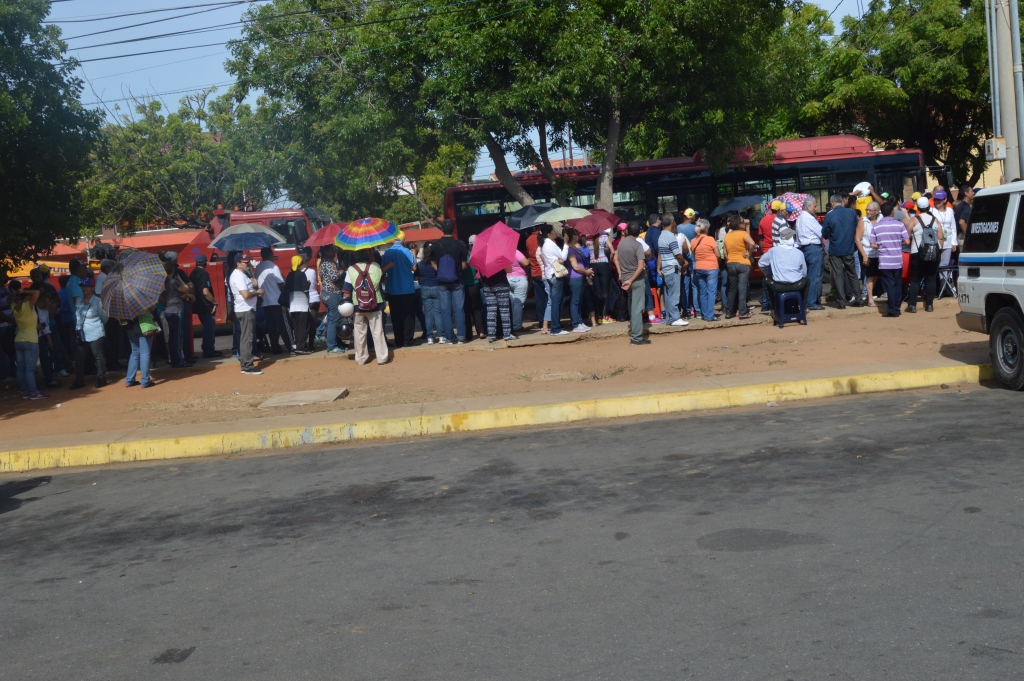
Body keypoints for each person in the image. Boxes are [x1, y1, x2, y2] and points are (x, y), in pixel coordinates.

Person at [343, 248, 390, 365]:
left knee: (359, 332)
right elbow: (381, 280)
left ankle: (361, 358)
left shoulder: (351, 269)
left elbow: (346, 291)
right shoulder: (376, 266)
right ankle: (382, 357)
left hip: (357, 305)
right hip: (375, 303)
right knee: (377, 331)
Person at [822, 193, 863, 308]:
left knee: (838, 275)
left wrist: (831, 233)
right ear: (842, 201)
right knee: (852, 274)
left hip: (835, 249)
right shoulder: (851, 212)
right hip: (849, 248)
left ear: (832, 203)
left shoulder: (830, 215)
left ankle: (841, 301)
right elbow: (855, 227)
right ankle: (858, 299)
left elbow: (824, 233)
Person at [431, 219, 469, 343]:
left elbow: (432, 262)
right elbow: (464, 265)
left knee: (445, 310)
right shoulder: (460, 245)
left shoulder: (435, 245)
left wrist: (441, 270)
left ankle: (449, 337)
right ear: (453, 229)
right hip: (458, 280)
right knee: (459, 309)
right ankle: (461, 337)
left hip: (442, 282)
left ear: (442, 229)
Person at [870, 201, 910, 317]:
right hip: (897, 259)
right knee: (897, 284)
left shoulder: (876, 226)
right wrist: (897, 243)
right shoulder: (899, 225)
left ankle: (893, 309)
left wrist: (882, 245)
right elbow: (907, 241)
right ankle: (896, 306)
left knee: (890, 285)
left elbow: (872, 244)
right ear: (892, 212)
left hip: (885, 261)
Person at [613, 221, 649, 345]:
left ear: (627, 231)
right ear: (639, 232)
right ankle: (636, 337)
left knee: (631, 304)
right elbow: (640, 267)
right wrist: (631, 280)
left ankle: (635, 332)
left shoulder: (621, 243)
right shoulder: (637, 245)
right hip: (636, 280)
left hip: (625, 279)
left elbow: (615, 258)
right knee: (637, 308)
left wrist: (621, 274)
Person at [758, 226, 809, 315]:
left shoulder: (773, 251)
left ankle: (773, 309)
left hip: (778, 286)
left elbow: (761, 263)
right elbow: (804, 272)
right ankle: (803, 306)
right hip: (796, 285)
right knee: (807, 280)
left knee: (765, 281)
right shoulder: (799, 252)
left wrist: (767, 274)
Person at [906, 196, 944, 313]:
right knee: (931, 278)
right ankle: (929, 305)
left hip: (917, 252)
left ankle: (912, 305)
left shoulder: (914, 220)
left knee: (915, 279)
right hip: (933, 253)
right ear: (928, 207)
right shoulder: (935, 220)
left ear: (917, 207)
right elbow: (941, 238)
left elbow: (907, 236)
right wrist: (940, 252)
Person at [70, 277, 108, 389]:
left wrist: (98, 325)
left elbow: (105, 317)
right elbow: (77, 316)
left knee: (98, 356)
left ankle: (102, 378)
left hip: (96, 331)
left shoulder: (97, 301)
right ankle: (79, 380)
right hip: (82, 332)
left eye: (87, 286)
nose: (84, 288)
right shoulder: (79, 300)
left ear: (92, 288)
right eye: (83, 286)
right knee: (79, 358)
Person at [11, 281, 47, 399]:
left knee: (20, 368)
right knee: (30, 369)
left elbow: (8, 300)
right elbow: (36, 292)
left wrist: (15, 294)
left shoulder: (15, 308)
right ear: (26, 297)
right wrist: (24, 291)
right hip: (30, 340)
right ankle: (33, 392)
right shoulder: (28, 306)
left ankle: (25, 392)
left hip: (19, 340)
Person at [381, 233, 417, 348]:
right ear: (404, 240)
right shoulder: (406, 251)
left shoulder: (387, 252)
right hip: (407, 289)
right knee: (408, 316)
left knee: (396, 317)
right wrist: (414, 254)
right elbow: (414, 267)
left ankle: (399, 341)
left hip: (392, 289)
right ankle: (408, 340)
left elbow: (382, 268)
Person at [229, 254, 263, 374]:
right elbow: (246, 295)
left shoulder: (243, 275)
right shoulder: (238, 276)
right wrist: (258, 292)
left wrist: (252, 271)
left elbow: (254, 283)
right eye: (244, 262)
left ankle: (245, 364)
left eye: (247, 262)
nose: (247, 264)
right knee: (247, 338)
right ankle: (248, 365)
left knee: (245, 338)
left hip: (245, 309)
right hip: (245, 309)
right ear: (238, 264)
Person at [256, 246, 292, 355]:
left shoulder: (258, 268)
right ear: (270, 255)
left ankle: (275, 347)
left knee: (271, 325)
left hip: (265, 301)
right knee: (284, 325)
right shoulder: (273, 267)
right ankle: (290, 346)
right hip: (276, 300)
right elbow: (280, 282)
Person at [657, 214, 688, 326]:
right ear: (672, 222)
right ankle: (675, 317)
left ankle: (670, 318)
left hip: (666, 268)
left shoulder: (661, 236)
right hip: (673, 268)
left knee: (669, 294)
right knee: (674, 295)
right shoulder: (670, 236)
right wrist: (684, 264)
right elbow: (678, 255)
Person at [189, 254, 222, 358]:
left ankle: (208, 349)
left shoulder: (193, 273)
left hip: (197, 305)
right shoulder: (204, 274)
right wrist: (214, 302)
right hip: (206, 306)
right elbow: (205, 292)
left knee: (206, 328)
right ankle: (208, 351)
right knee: (209, 329)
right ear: (206, 263)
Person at [723, 214, 756, 319]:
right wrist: (749, 254)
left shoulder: (727, 235)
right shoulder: (743, 234)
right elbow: (752, 243)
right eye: (742, 221)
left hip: (731, 263)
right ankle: (742, 312)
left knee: (732, 289)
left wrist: (729, 260)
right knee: (742, 288)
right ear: (739, 224)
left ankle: (729, 312)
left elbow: (725, 252)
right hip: (743, 263)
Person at [795, 197, 824, 310]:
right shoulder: (809, 218)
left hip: (804, 249)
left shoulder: (799, 218)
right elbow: (821, 232)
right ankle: (811, 302)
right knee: (814, 276)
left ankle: (809, 300)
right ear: (808, 207)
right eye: (815, 206)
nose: (816, 209)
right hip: (813, 248)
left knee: (808, 276)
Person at [538, 227, 569, 335]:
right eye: (554, 231)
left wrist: (559, 260)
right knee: (556, 302)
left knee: (555, 301)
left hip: (549, 274)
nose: (556, 232)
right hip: (555, 275)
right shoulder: (549, 244)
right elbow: (563, 257)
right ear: (549, 234)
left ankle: (555, 326)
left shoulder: (544, 244)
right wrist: (565, 243)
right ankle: (555, 328)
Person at [479, 254, 516, 342]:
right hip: (501, 284)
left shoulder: (482, 257)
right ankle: (507, 334)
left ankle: (491, 335)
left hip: (487, 285)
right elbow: (509, 270)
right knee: (504, 311)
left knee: (491, 311)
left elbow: (482, 273)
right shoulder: (501, 256)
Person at [691, 219, 722, 322]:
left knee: (702, 292)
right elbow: (718, 254)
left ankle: (704, 314)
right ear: (706, 229)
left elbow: (694, 255)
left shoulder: (693, 241)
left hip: (699, 267)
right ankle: (710, 315)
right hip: (711, 267)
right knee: (711, 292)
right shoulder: (710, 239)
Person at [565, 227, 595, 333]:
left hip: (579, 276)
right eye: (577, 235)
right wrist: (586, 272)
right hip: (575, 277)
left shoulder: (573, 248)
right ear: (573, 236)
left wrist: (586, 271)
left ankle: (579, 322)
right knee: (575, 301)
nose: (579, 236)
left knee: (578, 301)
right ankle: (576, 324)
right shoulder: (569, 249)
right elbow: (575, 266)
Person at [162, 259, 191, 368]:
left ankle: (174, 360)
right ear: (173, 269)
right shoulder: (173, 281)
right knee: (178, 337)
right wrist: (181, 280)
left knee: (172, 337)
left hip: (168, 309)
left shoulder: (163, 282)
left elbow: (161, 297)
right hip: (177, 310)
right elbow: (187, 289)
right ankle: (179, 361)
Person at [318, 245, 346, 353]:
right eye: (331, 250)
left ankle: (336, 343)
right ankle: (332, 346)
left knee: (332, 319)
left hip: (328, 293)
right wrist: (342, 270)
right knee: (334, 320)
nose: (334, 251)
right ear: (325, 251)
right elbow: (334, 276)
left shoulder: (325, 262)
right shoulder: (328, 263)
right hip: (332, 293)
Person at [416, 243, 445, 344]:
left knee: (428, 314)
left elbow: (416, 277)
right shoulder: (436, 263)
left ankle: (430, 337)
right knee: (438, 313)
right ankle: (441, 336)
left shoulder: (420, 265)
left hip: (425, 288)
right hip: (436, 287)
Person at [285, 254, 313, 354]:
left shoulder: (289, 275)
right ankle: (301, 347)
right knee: (304, 326)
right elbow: (305, 290)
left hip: (292, 304)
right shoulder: (301, 274)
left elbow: (287, 289)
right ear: (300, 263)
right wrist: (308, 285)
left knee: (296, 326)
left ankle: (298, 345)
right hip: (302, 304)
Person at [525, 223, 550, 331]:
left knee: (539, 299)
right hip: (545, 272)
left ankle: (541, 322)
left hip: (535, 272)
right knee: (550, 299)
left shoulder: (528, 239)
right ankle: (549, 321)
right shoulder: (546, 239)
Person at [125, 309, 156, 388]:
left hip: (129, 324)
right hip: (144, 323)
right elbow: (152, 307)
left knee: (134, 352)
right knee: (145, 352)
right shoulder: (142, 297)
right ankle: (145, 381)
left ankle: (129, 380)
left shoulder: (124, 299)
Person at [462, 236, 485, 340]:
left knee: (466, 311)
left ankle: (469, 334)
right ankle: (480, 331)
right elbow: (478, 271)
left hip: (464, 286)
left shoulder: (461, 259)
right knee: (477, 309)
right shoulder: (475, 256)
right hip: (475, 285)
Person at [860, 202, 881, 306]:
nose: (868, 212)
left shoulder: (881, 220)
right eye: (867, 210)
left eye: (870, 210)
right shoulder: (863, 221)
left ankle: (869, 297)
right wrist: (864, 255)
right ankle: (870, 300)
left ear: (876, 212)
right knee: (870, 276)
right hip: (868, 253)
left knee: (876, 276)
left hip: (879, 253)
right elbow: (857, 239)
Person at [930, 188, 957, 269]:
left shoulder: (950, 211)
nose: (937, 201)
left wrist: (954, 242)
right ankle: (936, 281)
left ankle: (943, 281)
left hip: (948, 240)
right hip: (936, 241)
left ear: (945, 200)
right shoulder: (931, 210)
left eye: (940, 199)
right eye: (936, 199)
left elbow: (953, 227)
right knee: (936, 263)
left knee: (945, 264)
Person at [590, 229, 613, 323]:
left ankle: (598, 315)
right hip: (604, 264)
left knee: (597, 292)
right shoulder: (604, 237)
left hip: (593, 265)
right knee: (606, 291)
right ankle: (605, 316)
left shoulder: (588, 239)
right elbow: (612, 251)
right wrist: (609, 261)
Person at [506, 247, 531, 333]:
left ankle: (511, 325)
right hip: (520, 279)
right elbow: (525, 263)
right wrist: (530, 258)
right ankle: (517, 325)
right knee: (518, 303)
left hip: (508, 279)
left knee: (512, 303)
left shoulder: (502, 253)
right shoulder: (515, 251)